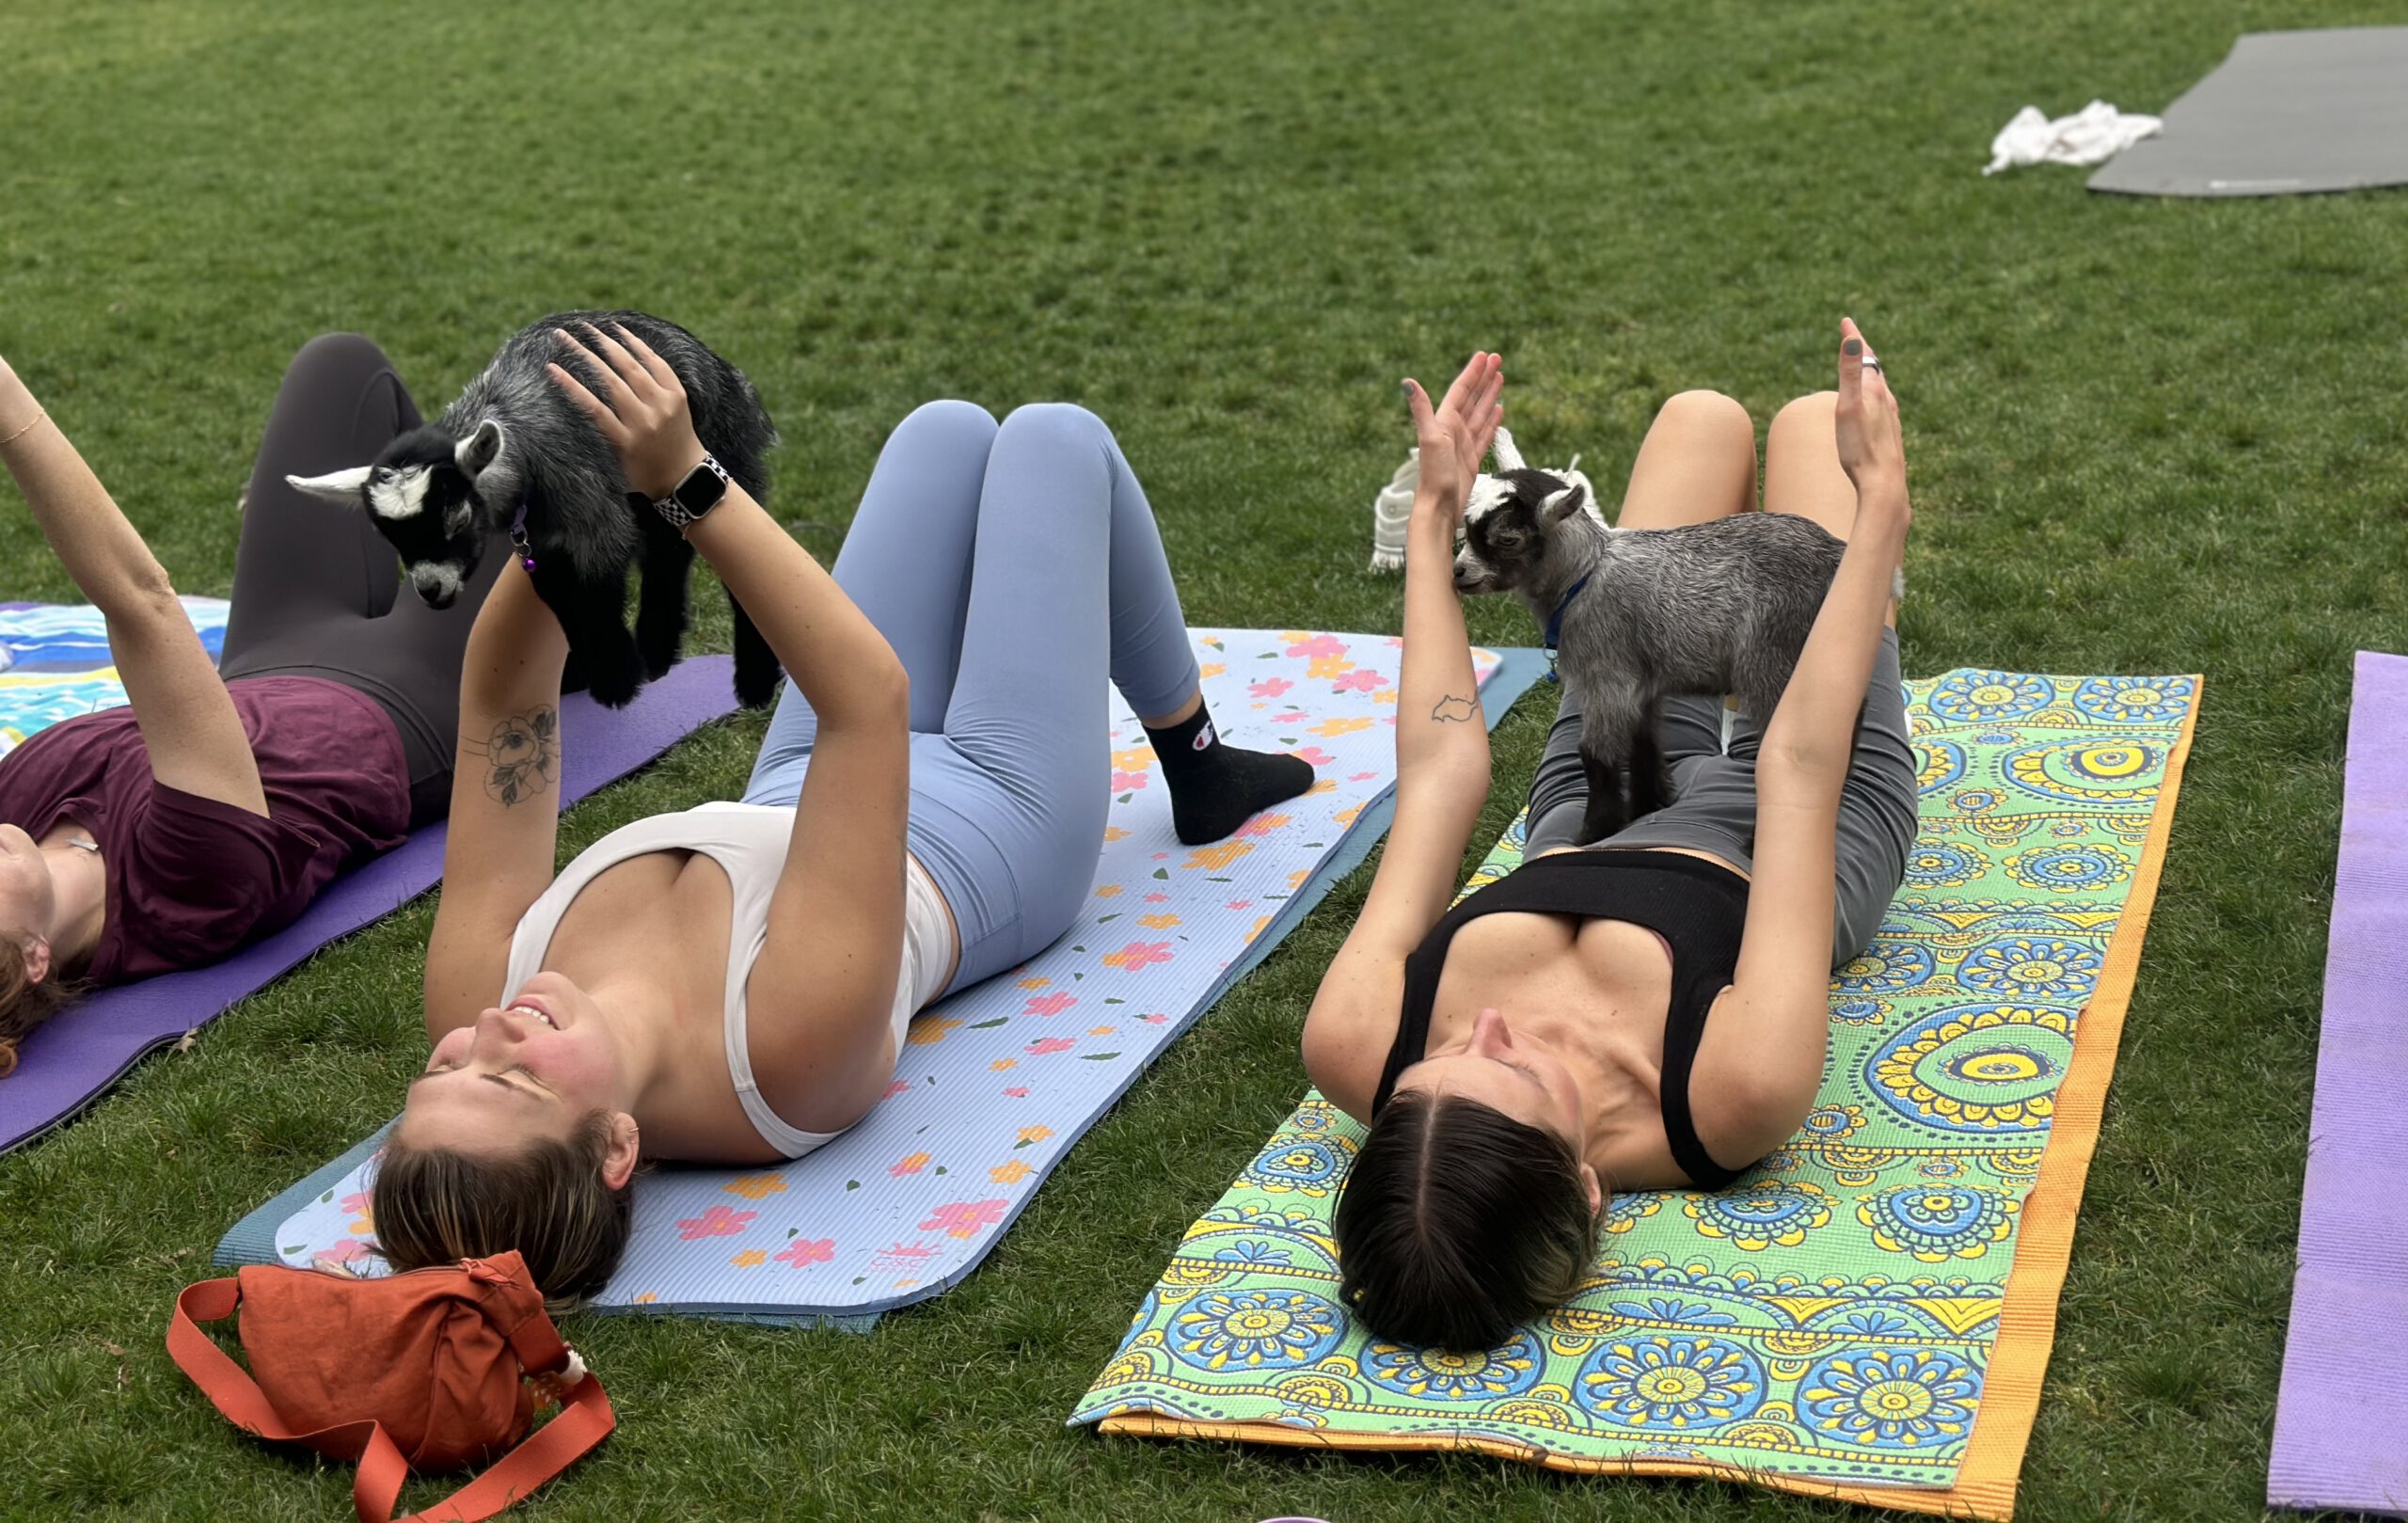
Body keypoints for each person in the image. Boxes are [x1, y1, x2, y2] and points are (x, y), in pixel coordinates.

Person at [372, 323, 1313, 1306]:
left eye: (441, 1070)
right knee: (1054, 440)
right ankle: (1198, 762)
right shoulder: (780, 1056)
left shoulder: (482, 991)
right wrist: (687, 483)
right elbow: (866, 701)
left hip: (803, 780)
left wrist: (557, 513)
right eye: (514, 1082)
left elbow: (506, 712)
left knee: (942, 433)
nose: (488, 1036)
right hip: (995, 813)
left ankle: (1194, 756)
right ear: (616, 1147)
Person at [1302, 324, 1915, 1351]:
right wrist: (1880, 511)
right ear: (1586, 1189)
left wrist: (1434, 522)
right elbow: (1799, 772)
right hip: (1788, 827)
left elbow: (1443, 772)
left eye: (1441, 1059)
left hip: (1588, 812)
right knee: (1821, 429)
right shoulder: (1731, 1092)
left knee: (1697, 420)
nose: (1485, 1028)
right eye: (1519, 1072)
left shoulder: (1352, 1042)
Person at [0, 336, 506, 1077]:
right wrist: (10, 405)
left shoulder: (16, 810)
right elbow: (143, 605)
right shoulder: (189, 889)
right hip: (409, 700)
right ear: (34, 959)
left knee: (339, 366)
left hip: (269, 653)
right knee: (535, 432)